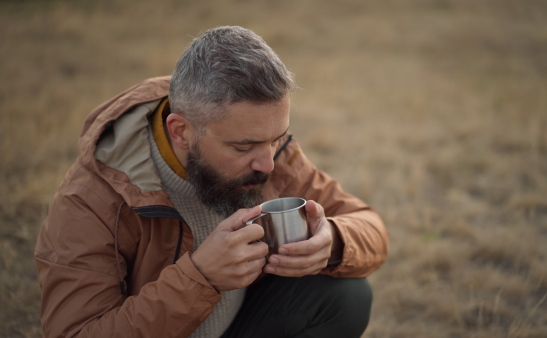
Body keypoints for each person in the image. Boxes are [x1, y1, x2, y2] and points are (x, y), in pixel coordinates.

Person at [35, 26, 388, 338]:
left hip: (238, 325)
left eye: (277, 137)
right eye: (243, 146)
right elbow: (76, 332)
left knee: (345, 298)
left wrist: (334, 241)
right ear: (181, 131)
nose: (267, 164)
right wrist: (201, 278)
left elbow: (369, 226)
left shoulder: (269, 152)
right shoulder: (91, 200)